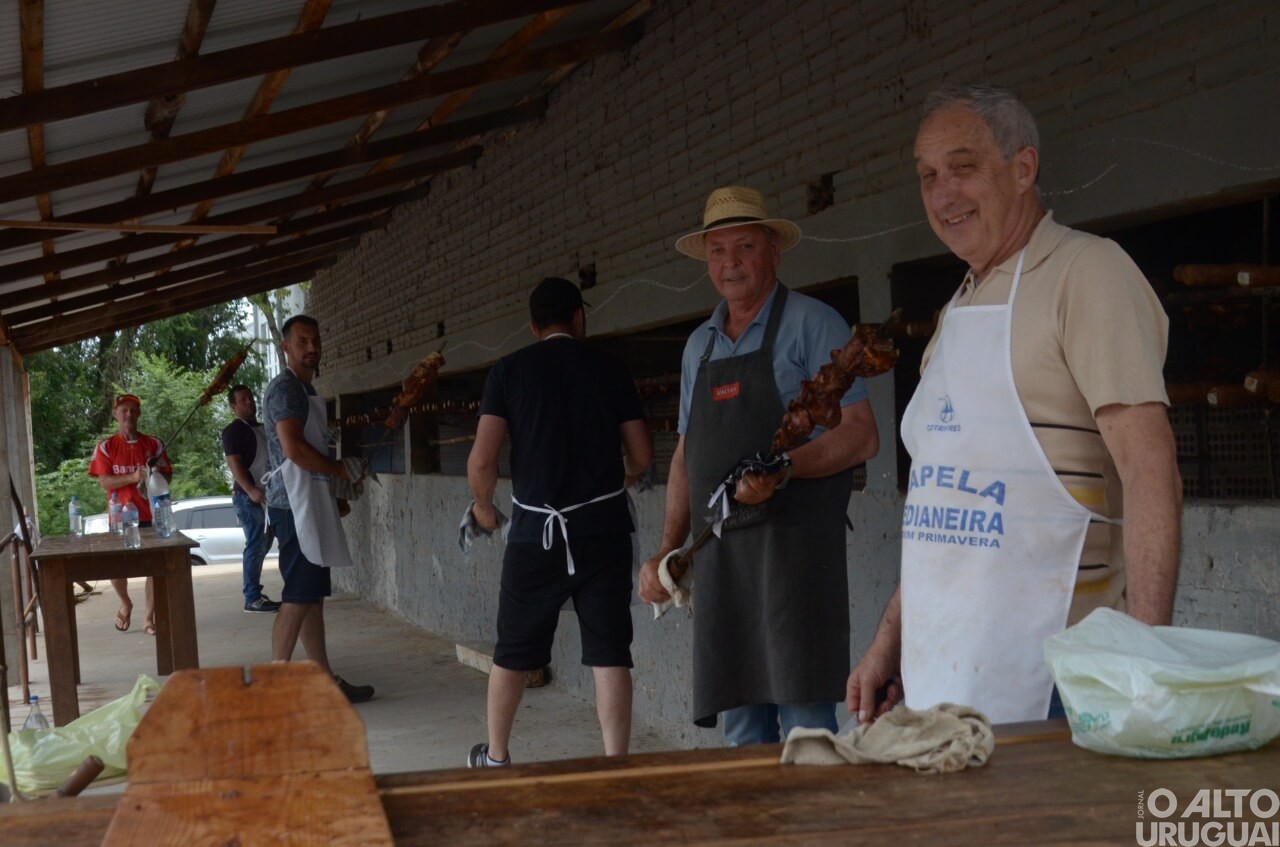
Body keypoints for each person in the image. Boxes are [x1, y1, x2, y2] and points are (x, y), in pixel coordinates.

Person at [848, 83, 1182, 726]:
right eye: (928, 177)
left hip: (1061, 678)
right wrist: (890, 643)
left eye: (963, 169)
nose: (943, 195)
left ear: (1023, 168)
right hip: (944, 668)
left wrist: (1144, 660)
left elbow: (1150, 469)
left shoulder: (1087, 273)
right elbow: (941, 512)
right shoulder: (955, 311)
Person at [637, 186, 880, 746]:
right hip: (724, 562)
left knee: (806, 727)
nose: (730, 263)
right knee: (741, 729)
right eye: (717, 251)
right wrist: (668, 547)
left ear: (774, 250)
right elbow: (686, 455)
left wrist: (785, 470)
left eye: (744, 246)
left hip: (796, 558)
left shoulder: (814, 324)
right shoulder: (698, 346)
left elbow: (862, 435)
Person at [465, 277, 652, 768]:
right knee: (610, 653)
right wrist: (622, 481)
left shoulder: (508, 371)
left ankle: (497, 758)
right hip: (604, 533)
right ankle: (615, 767)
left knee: (512, 652)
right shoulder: (611, 368)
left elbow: (482, 462)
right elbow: (642, 455)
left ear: (533, 326)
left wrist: (484, 509)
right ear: (579, 318)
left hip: (534, 534)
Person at [262, 314, 374, 703]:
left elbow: (310, 449)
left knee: (311, 596)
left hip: (310, 499)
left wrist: (334, 493)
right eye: (303, 342)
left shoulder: (305, 390)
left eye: (316, 340)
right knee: (297, 595)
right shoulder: (287, 390)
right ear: (286, 348)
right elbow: (293, 449)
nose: (312, 348)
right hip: (293, 505)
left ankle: (324, 680)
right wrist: (340, 469)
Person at [88, 393, 172, 636]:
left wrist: (155, 473)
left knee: (154, 569)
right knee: (114, 567)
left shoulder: (154, 444)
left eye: (133, 410)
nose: (129, 415)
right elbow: (105, 482)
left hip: (152, 514)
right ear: (115, 414)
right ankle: (125, 603)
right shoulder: (106, 446)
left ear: (139, 414)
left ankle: (148, 618)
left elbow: (167, 478)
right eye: (123, 410)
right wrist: (133, 477)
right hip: (120, 517)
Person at [221, 385, 281, 614]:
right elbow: (234, 464)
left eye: (250, 398)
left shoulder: (263, 428)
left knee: (263, 544)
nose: (249, 402)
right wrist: (250, 489)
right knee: (256, 544)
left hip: (268, 495)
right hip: (249, 497)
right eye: (243, 399)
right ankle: (252, 597)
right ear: (233, 406)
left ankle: (254, 590)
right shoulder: (234, 431)